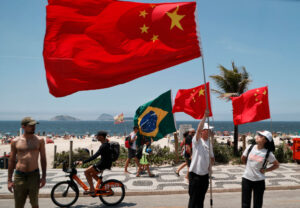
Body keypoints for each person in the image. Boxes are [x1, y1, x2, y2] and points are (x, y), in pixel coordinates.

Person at [8, 117, 47, 208]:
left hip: (34, 175)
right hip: (19, 176)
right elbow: (12, 160)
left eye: (34, 125)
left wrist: (44, 177)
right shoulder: (15, 141)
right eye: (31, 126)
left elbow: (43, 158)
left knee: (34, 204)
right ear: (23, 126)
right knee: (18, 205)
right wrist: (9, 180)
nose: (33, 127)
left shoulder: (40, 140)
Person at [241, 130, 279, 208]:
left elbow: (276, 165)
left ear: (265, 140)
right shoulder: (250, 147)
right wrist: (248, 166)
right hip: (246, 179)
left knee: (257, 205)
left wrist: (266, 170)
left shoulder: (268, 153)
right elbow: (243, 158)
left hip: (259, 181)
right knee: (245, 204)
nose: (257, 136)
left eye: (261, 136)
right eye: (258, 134)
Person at [188, 110, 214, 208]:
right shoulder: (197, 141)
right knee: (193, 200)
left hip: (205, 176)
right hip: (195, 175)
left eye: (210, 130)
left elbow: (212, 157)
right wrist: (204, 116)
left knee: (201, 200)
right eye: (208, 130)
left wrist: (211, 166)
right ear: (203, 131)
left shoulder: (209, 143)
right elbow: (198, 130)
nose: (210, 132)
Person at [77, 131, 112, 196]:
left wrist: (83, 162)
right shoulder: (105, 144)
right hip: (104, 163)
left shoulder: (103, 146)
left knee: (86, 172)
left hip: (103, 164)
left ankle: (92, 189)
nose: (96, 137)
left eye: (97, 136)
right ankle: (104, 186)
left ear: (101, 137)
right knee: (92, 174)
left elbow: (94, 156)